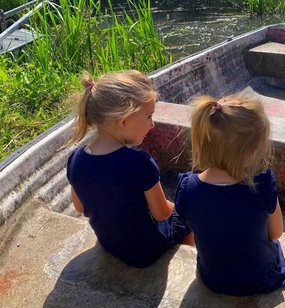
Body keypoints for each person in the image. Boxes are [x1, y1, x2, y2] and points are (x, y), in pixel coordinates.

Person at [175, 94, 285, 296]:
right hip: (260, 280)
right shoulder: (262, 184)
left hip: (213, 278)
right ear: (252, 151)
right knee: (274, 245)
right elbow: (275, 233)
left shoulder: (187, 187)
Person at [66, 70, 194, 268]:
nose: (152, 125)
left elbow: (80, 208)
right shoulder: (139, 162)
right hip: (146, 251)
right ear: (123, 121)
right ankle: (188, 262)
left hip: (110, 244)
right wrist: (176, 207)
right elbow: (161, 214)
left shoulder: (75, 158)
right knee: (188, 219)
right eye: (149, 117)